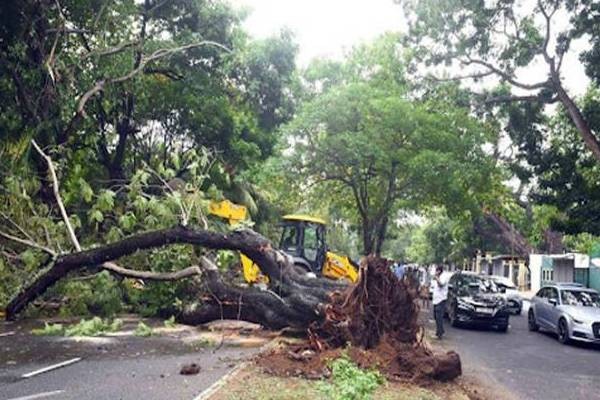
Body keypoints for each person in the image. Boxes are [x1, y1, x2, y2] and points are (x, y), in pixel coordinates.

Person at [432, 265, 449, 339]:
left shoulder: (444, 276)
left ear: (440, 271)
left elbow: (441, 284)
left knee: (439, 317)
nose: (436, 272)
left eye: (437, 271)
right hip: (436, 300)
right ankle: (440, 330)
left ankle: (439, 334)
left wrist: (436, 278)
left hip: (441, 299)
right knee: (436, 316)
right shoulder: (439, 276)